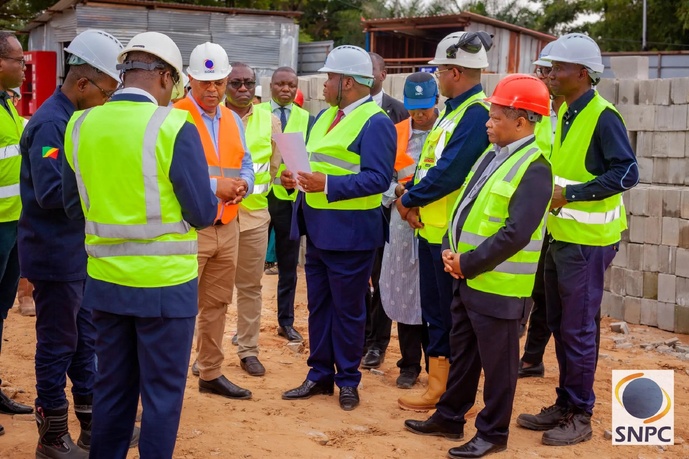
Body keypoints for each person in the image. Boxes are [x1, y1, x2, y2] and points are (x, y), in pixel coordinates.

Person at [61, 31, 218, 458]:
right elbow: (203, 213)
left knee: (112, 390)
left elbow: (73, 208)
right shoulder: (175, 125)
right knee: (162, 398)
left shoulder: (80, 125)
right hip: (166, 288)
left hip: (106, 285)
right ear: (166, 78)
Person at [405, 74, 553, 458]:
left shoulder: (535, 168)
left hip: (500, 288)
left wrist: (466, 263)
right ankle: (451, 416)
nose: (487, 122)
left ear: (521, 121)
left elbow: (515, 233)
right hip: (467, 277)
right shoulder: (492, 154)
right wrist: (449, 248)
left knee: (499, 367)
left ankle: (493, 432)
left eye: (496, 116)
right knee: (465, 353)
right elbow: (465, 207)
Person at [516, 33, 639, 446]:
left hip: (588, 241)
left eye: (558, 69)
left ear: (582, 74)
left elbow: (627, 173)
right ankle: (565, 403)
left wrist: (570, 194)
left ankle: (580, 413)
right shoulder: (563, 112)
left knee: (577, 328)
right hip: (561, 236)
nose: (550, 75)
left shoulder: (604, 116)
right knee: (558, 323)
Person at [18, 29, 133, 458]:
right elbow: (50, 194)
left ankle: (92, 425)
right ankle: (52, 436)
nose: (107, 100)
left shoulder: (75, 118)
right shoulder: (51, 121)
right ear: (82, 83)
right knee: (57, 343)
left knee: (85, 339)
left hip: (75, 253)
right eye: (105, 90)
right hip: (53, 256)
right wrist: (103, 191)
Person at [280, 45, 395, 411]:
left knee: (348, 310)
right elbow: (314, 165)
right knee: (319, 307)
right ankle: (319, 374)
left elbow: (378, 179)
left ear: (348, 82)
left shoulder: (376, 122)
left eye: (330, 78)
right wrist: (293, 179)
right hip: (317, 227)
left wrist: (326, 184)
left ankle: (347, 379)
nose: (324, 84)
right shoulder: (323, 117)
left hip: (350, 234)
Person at [395, 31, 492, 411]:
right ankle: (440, 385)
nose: (436, 78)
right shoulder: (453, 111)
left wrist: (409, 199)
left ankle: (446, 390)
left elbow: (450, 173)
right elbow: (427, 167)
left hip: (450, 236)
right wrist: (410, 195)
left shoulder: (475, 113)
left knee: (448, 317)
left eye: (438, 72)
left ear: (454, 71)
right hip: (431, 228)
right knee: (436, 312)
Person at [174, 42, 254, 399]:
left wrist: (243, 185)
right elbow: (165, 175)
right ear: (189, 79)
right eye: (204, 82)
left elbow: (246, 163)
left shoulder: (234, 119)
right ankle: (170, 380)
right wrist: (214, 185)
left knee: (217, 305)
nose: (212, 90)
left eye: (218, 82)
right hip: (190, 229)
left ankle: (210, 372)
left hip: (228, 226)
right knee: (179, 309)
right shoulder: (173, 116)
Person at [379, 72, 437, 389]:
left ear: (436, 101)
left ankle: (437, 365)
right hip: (402, 225)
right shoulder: (396, 132)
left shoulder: (447, 131)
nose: (419, 114)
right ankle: (409, 364)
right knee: (404, 294)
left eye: (424, 108)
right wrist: (401, 197)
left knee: (433, 297)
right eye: (414, 107)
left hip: (436, 223)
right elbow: (380, 177)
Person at [225, 62, 282, 377]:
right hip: (215, 219)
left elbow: (278, 167)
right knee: (212, 291)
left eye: (248, 83)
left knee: (249, 288)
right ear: (224, 84)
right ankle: (206, 354)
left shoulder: (270, 121)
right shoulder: (208, 118)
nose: (243, 89)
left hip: (255, 219)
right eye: (235, 83)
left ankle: (248, 352)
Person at [518, 41, 566, 379]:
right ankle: (532, 357)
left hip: (564, 223)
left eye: (547, 71)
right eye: (541, 71)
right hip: (538, 219)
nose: (544, 77)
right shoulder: (543, 113)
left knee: (548, 295)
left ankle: (533, 358)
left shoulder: (573, 116)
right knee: (535, 289)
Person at [361, 52, 409, 370]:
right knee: (356, 277)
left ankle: (377, 344)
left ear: (383, 74)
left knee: (381, 279)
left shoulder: (399, 111)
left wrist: (391, 195)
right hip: (355, 209)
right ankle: (358, 337)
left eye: (370, 71)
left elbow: (403, 163)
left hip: (387, 208)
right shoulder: (346, 112)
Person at [259, 66, 313, 343]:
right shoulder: (258, 115)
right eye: (281, 84)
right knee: (251, 267)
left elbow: (311, 158)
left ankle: (285, 321)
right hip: (258, 199)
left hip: (290, 203)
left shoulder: (307, 118)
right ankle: (250, 324)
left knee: (289, 266)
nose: (286, 90)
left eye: (291, 85)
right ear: (271, 86)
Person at [0, 30, 34, 438]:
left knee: (1, 311)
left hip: (11, 223)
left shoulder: (9, 105)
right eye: (18, 60)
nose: (24, 67)